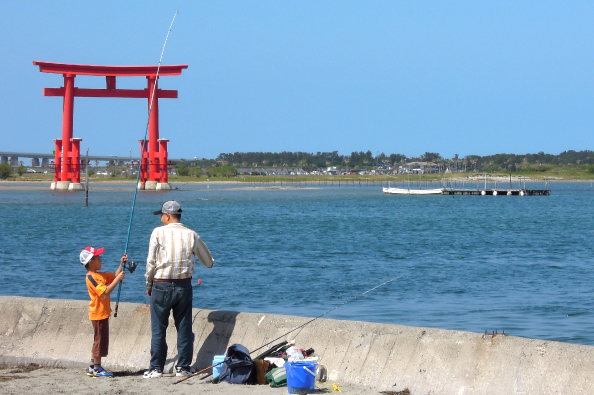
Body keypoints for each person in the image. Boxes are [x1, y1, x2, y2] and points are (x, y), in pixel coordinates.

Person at [144, 200, 215, 379]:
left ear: (168, 216)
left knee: (158, 328)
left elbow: (150, 263)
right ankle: (183, 367)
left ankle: (156, 368)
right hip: (184, 285)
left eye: (161, 215)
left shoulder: (157, 233)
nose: (161, 218)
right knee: (184, 327)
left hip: (161, 285)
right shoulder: (191, 235)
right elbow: (209, 262)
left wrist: (149, 284)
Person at [80, 246, 127, 377]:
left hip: (103, 313)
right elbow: (105, 291)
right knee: (99, 341)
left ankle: (92, 366)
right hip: (98, 314)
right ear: (91, 262)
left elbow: (113, 276)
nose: (101, 260)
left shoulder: (99, 275)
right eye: (98, 258)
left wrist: (121, 264)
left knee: (98, 339)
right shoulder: (91, 277)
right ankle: (97, 368)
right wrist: (118, 280)